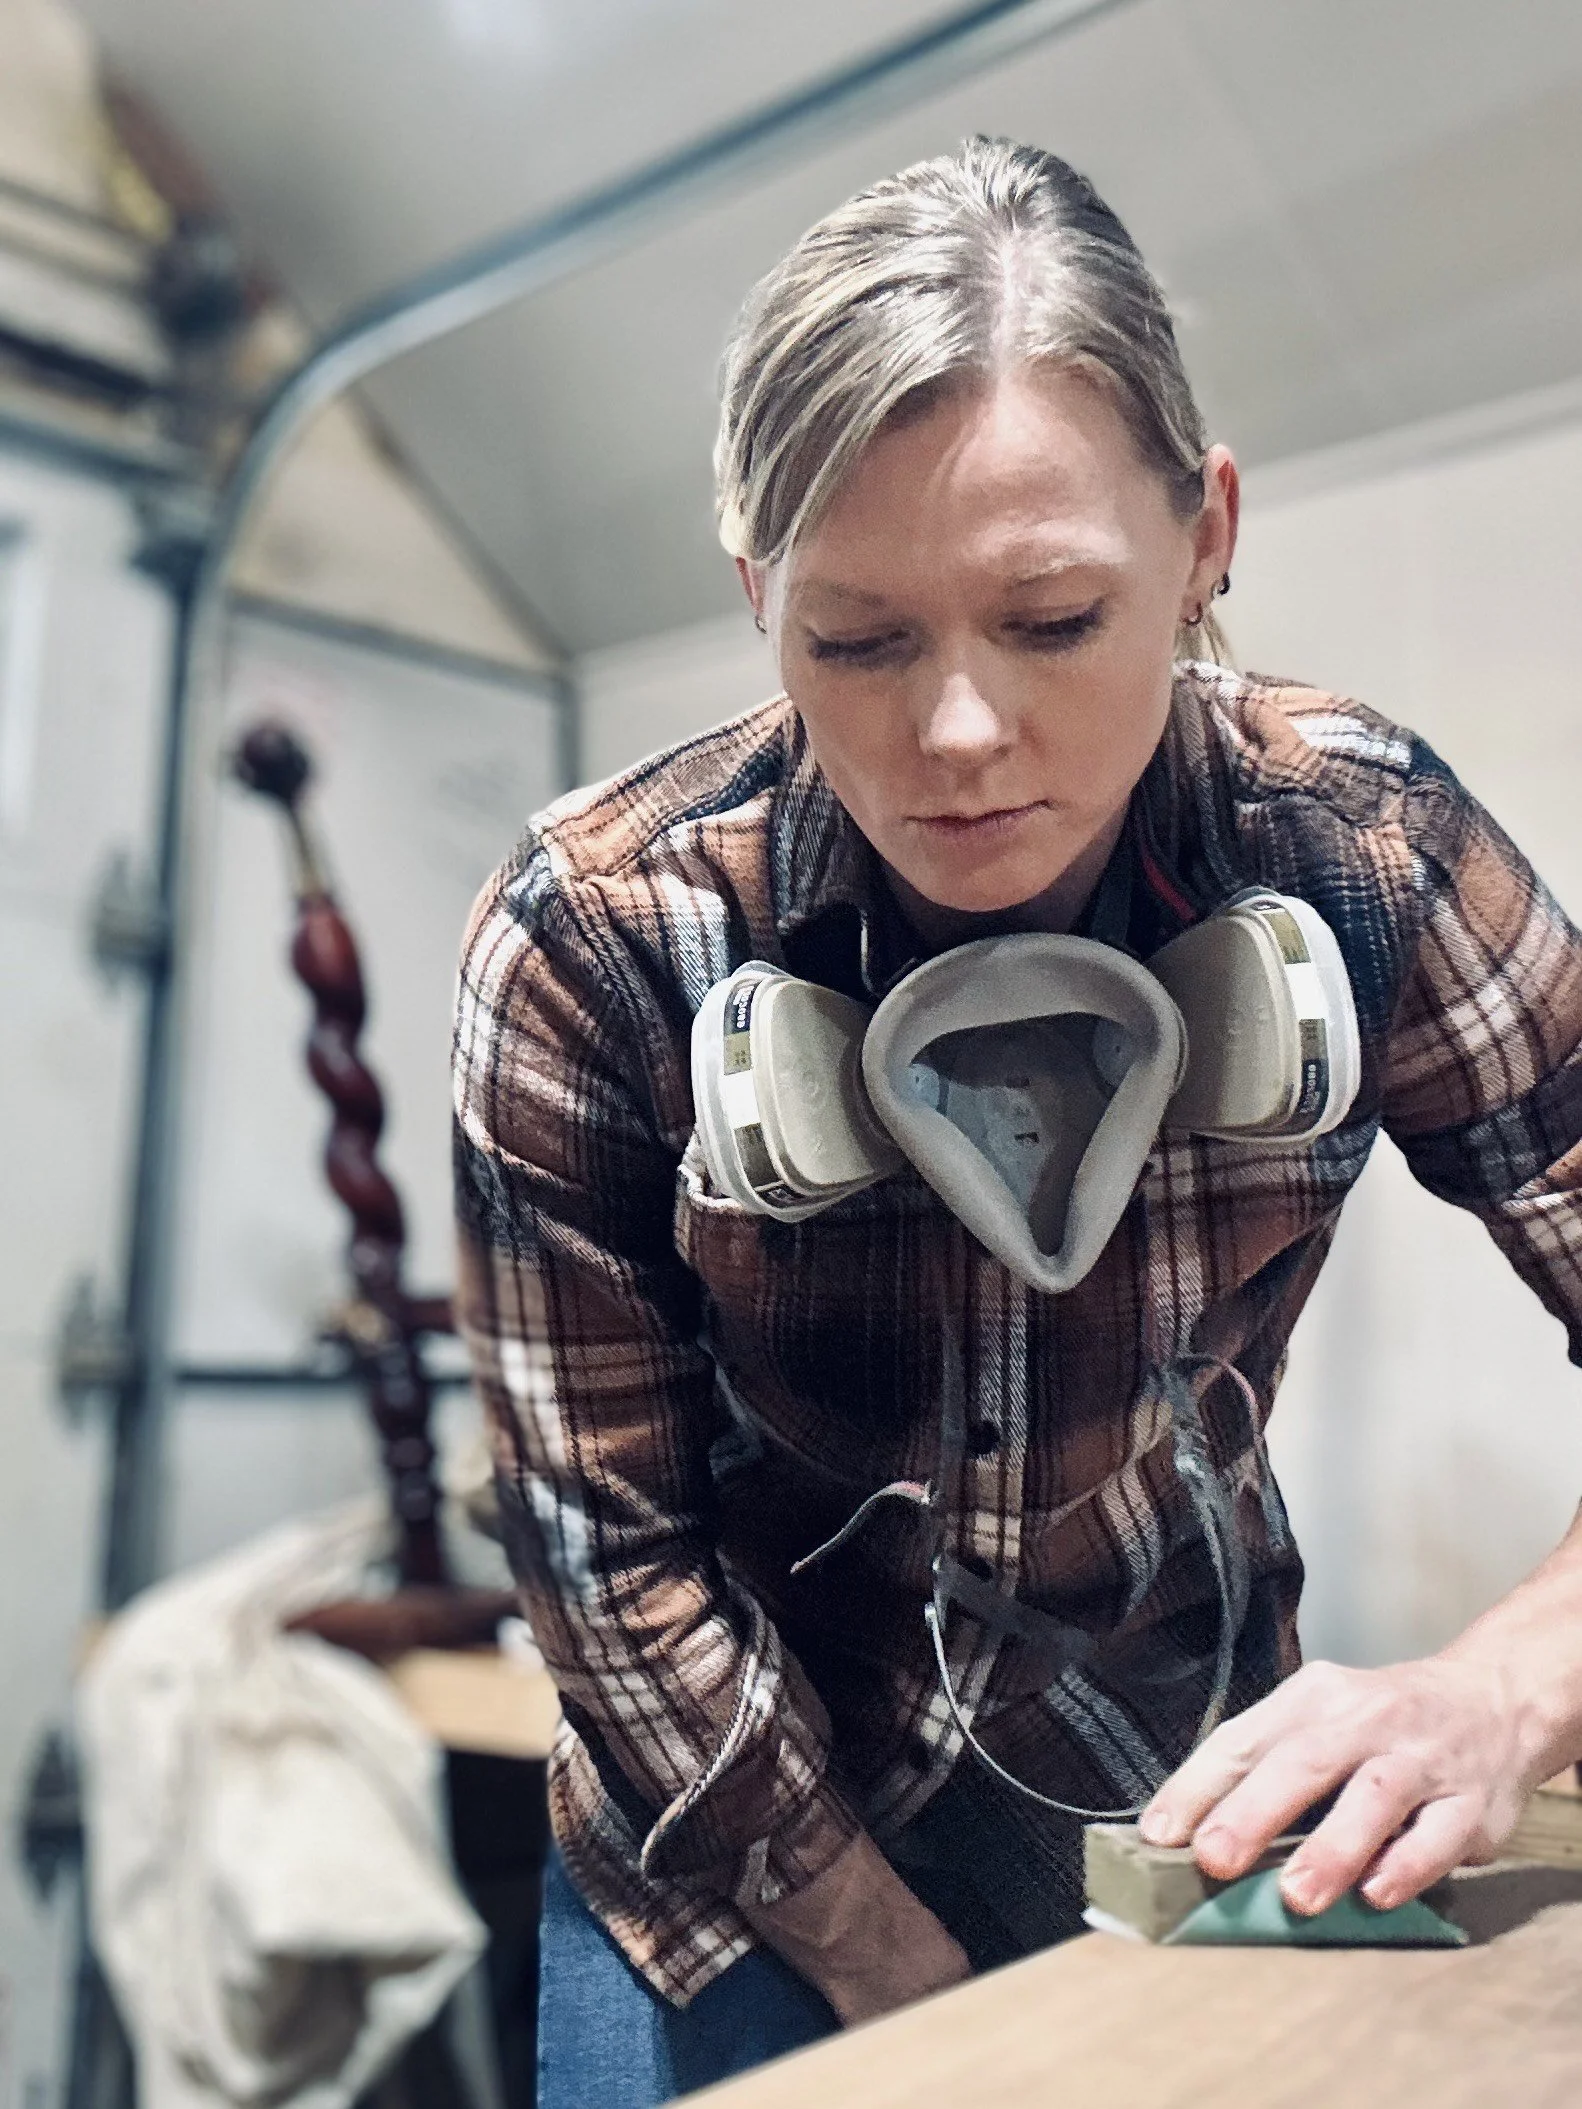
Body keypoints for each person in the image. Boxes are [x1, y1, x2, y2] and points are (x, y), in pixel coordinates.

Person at [452, 138, 1582, 2106]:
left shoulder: (1362, 851)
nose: (956, 734)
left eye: (1050, 618)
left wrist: (1507, 1682)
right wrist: (908, 1989)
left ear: (1205, 536)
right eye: (855, 640)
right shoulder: (597, 939)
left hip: (1184, 1802)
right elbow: (602, 1559)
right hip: (725, 1839)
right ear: (756, 595)